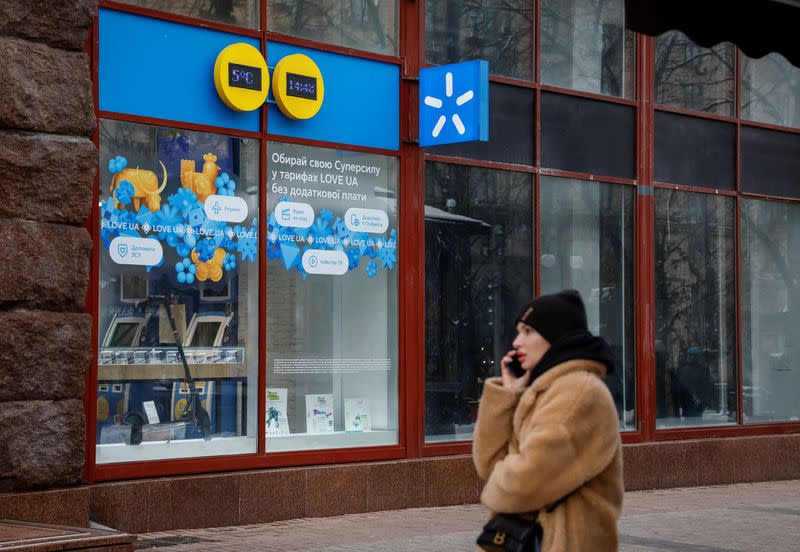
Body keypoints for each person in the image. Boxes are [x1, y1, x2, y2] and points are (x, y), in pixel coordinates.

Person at [473, 290, 623, 551]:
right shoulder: (544, 391)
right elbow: (488, 465)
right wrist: (509, 394)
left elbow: (524, 482)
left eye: (529, 331)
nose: (517, 341)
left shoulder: (578, 393)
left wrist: (499, 485)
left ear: (556, 337)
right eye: (519, 331)